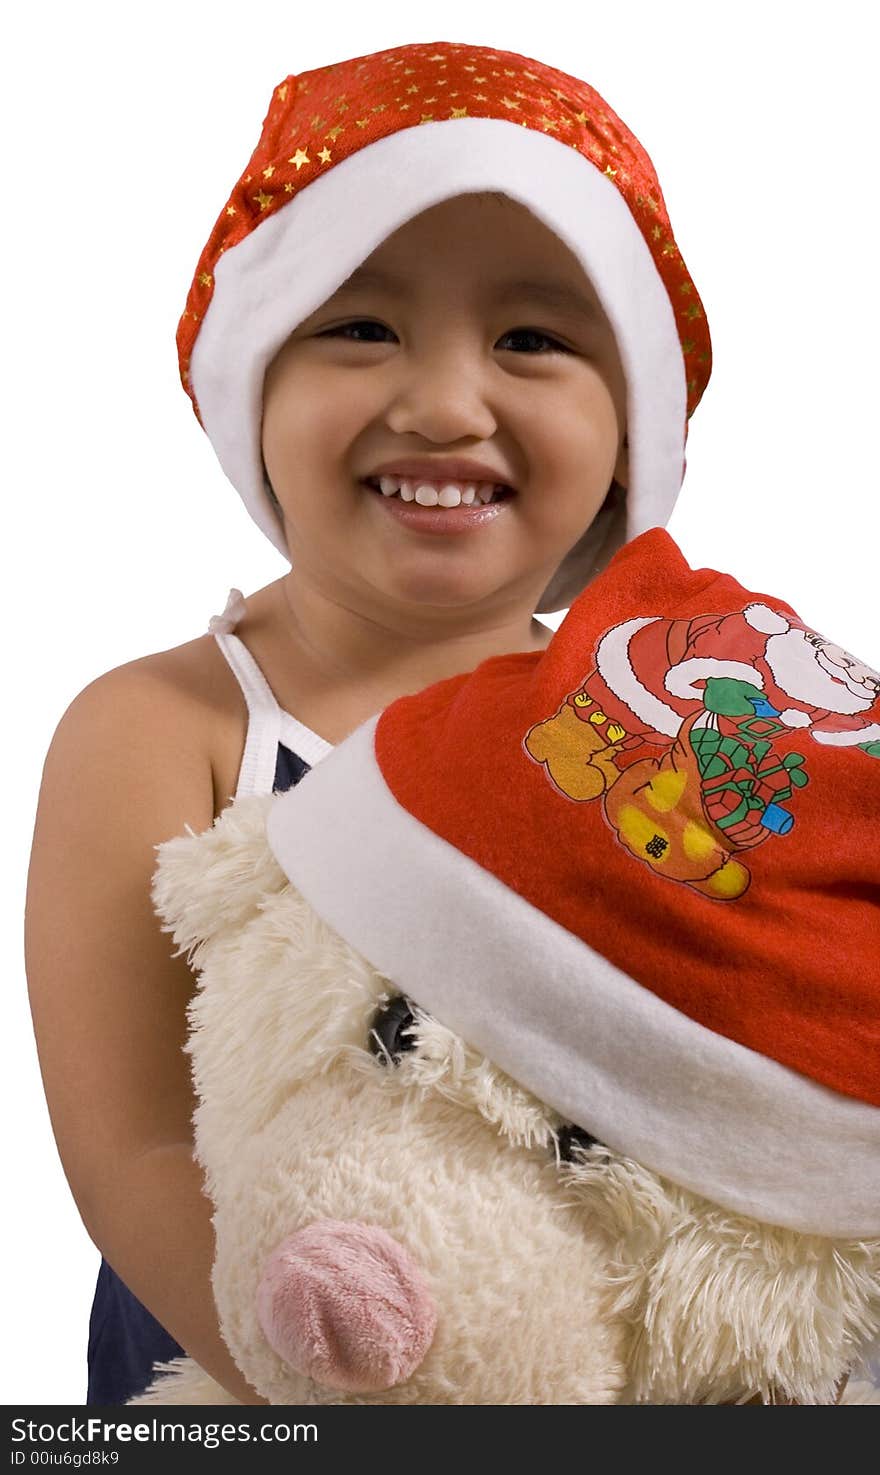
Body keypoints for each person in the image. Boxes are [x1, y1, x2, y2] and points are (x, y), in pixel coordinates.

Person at [24, 38, 711, 1404]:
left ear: (633, 429)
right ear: (249, 392)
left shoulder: (654, 728)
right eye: (361, 325)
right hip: (241, 1345)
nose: (445, 403)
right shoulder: (167, 726)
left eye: (532, 338)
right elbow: (134, 1154)